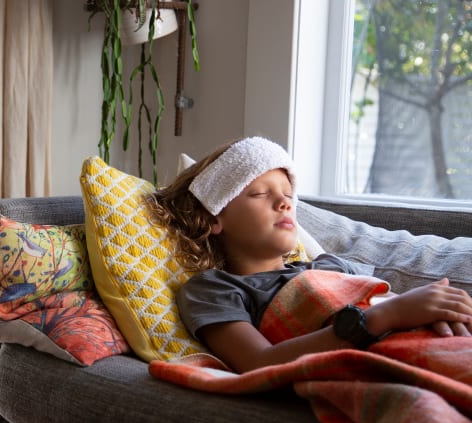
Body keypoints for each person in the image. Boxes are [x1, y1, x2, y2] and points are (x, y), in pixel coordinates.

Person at [146, 136, 472, 373]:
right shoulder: (215, 289)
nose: (285, 203)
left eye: (288, 195)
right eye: (260, 194)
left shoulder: (330, 265)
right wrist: (386, 316)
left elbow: (386, 299)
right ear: (214, 217)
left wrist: (438, 310)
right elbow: (260, 364)